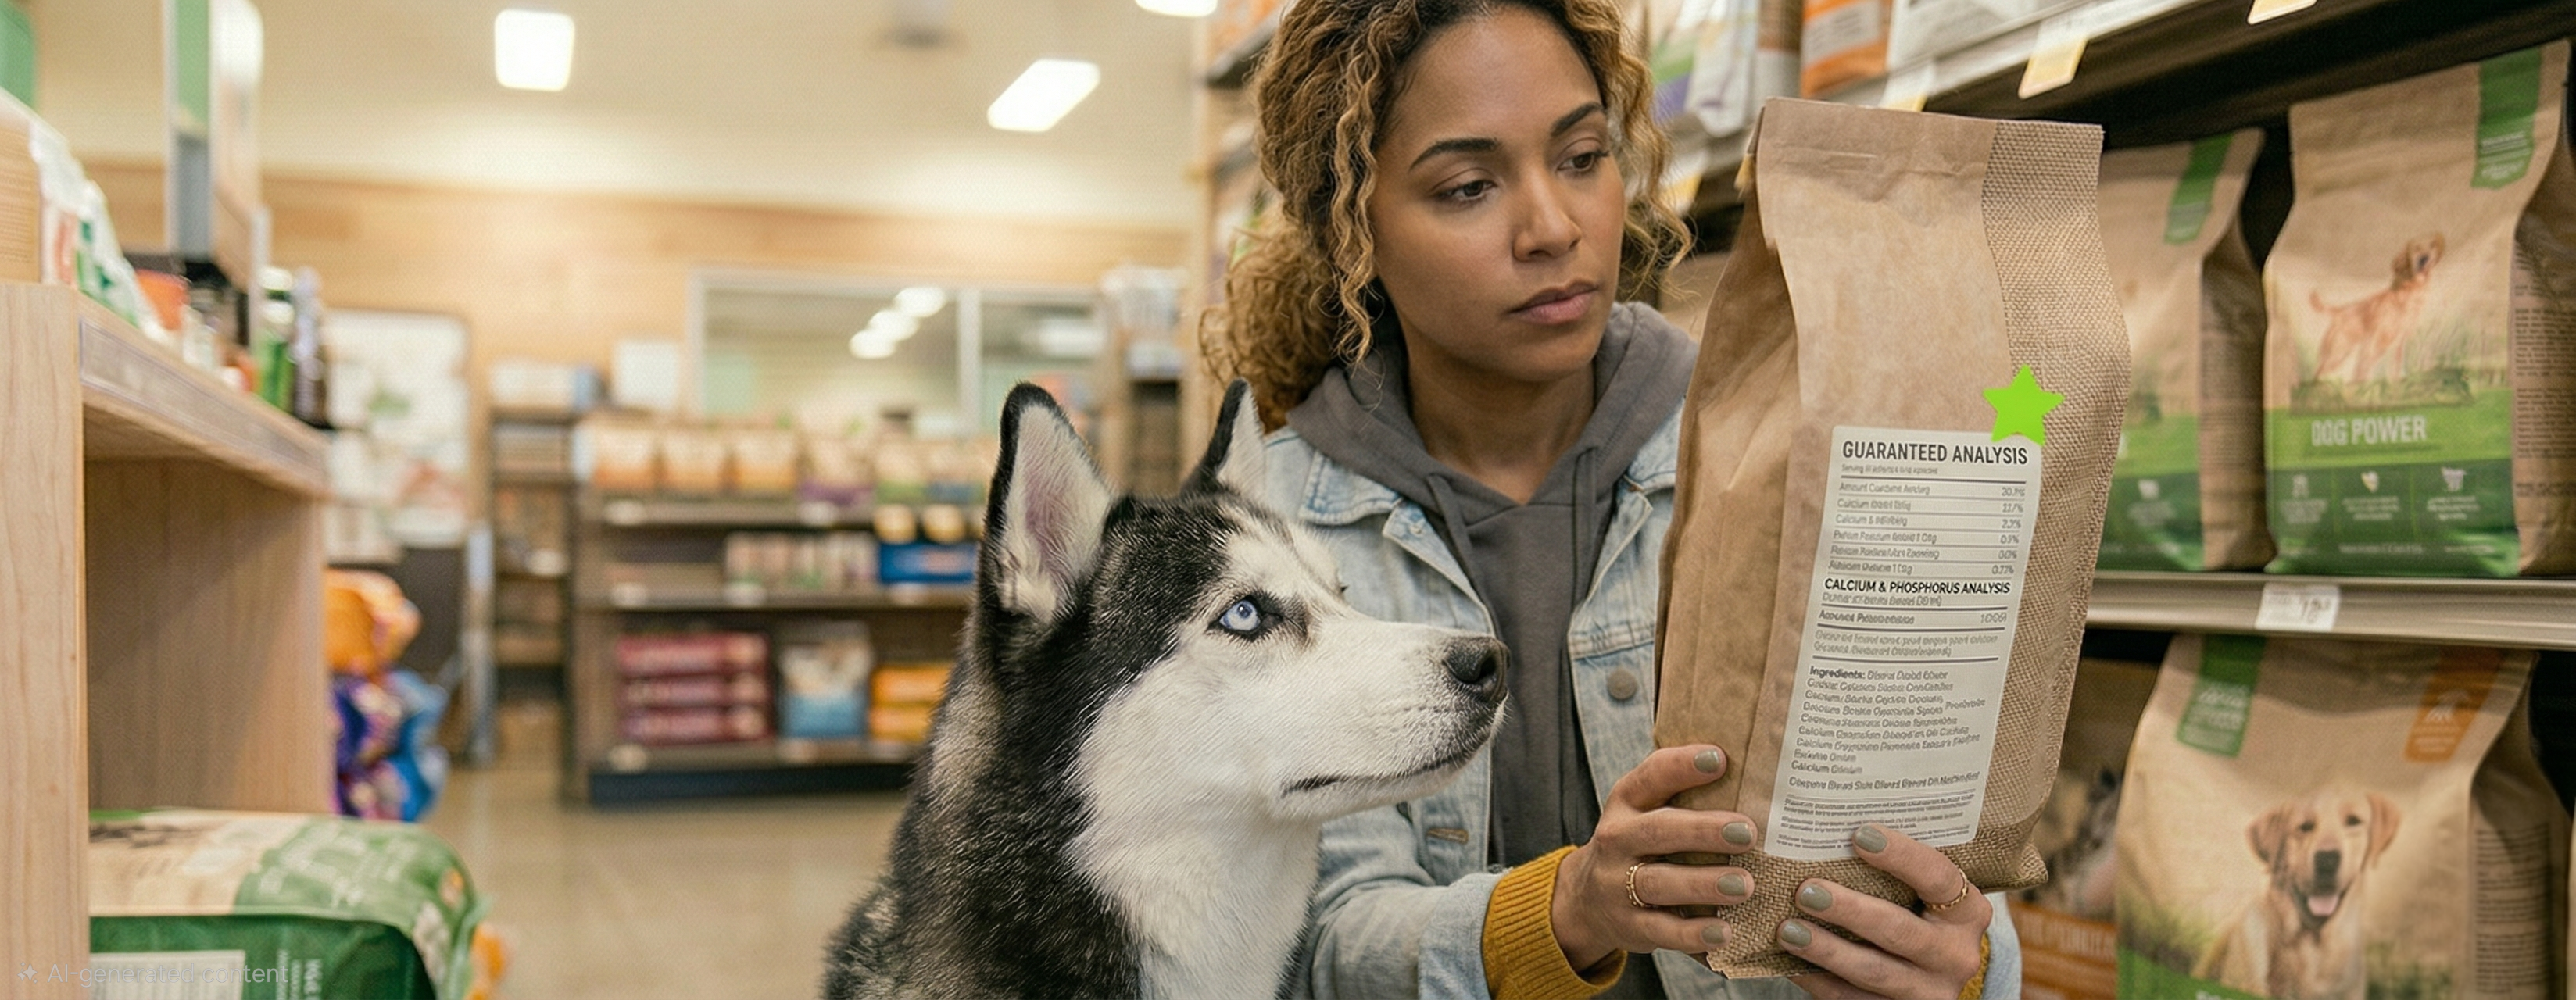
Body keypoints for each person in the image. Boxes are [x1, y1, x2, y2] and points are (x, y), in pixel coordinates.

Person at [1202, 1, 2022, 998]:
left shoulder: (1797, 466)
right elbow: (1309, 948)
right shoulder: (1266, 544)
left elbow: (1941, 872)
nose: (1552, 228)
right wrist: (1568, 908)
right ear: (1350, 227)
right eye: (1465, 186)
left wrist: (1964, 961)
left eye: (1582, 156)